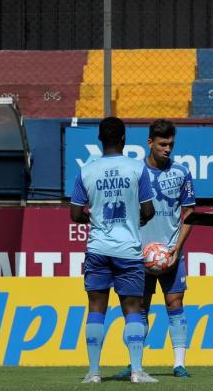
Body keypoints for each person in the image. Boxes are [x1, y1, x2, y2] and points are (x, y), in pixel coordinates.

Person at [70, 116, 156, 384]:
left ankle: (94, 372)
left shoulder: (86, 171)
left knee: (96, 307)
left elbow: (75, 213)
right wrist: (135, 219)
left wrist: (94, 219)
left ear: (99, 140)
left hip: (98, 248)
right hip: (127, 249)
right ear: (123, 139)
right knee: (133, 308)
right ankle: (137, 371)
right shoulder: (137, 169)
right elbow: (148, 210)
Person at [114, 119, 195, 380]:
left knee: (175, 302)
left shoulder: (182, 172)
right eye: (162, 144)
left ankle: (179, 364)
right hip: (139, 254)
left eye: (171, 144)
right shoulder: (136, 173)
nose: (167, 149)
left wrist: (175, 250)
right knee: (140, 308)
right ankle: (134, 363)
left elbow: (189, 213)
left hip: (170, 252)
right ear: (150, 143)